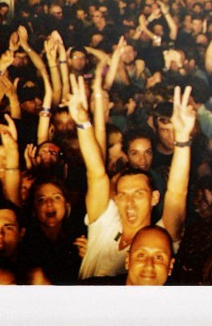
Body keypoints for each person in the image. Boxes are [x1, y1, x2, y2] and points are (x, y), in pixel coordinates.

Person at [74, 77, 195, 279]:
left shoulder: (160, 236)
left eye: (138, 193)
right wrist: (82, 122)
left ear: (154, 198)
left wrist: (182, 139)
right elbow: (96, 173)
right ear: (116, 198)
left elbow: (177, 193)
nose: (129, 202)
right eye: (123, 195)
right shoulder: (105, 221)